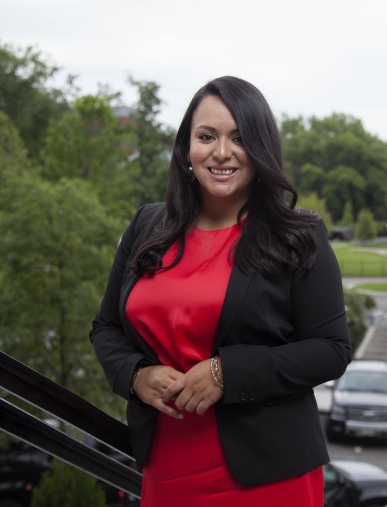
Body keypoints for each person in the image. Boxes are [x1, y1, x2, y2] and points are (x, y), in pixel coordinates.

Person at [90, 76, 352, 506]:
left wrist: (227, 373)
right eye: (207, 136)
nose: (222, 152)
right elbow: (105, 327)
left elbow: (331, 349)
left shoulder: (298, 235)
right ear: (186, 149)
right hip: (167, 464)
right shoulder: (146, 226)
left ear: (261, 150)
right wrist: (136, 375)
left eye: (240, 138)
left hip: (268, 474)